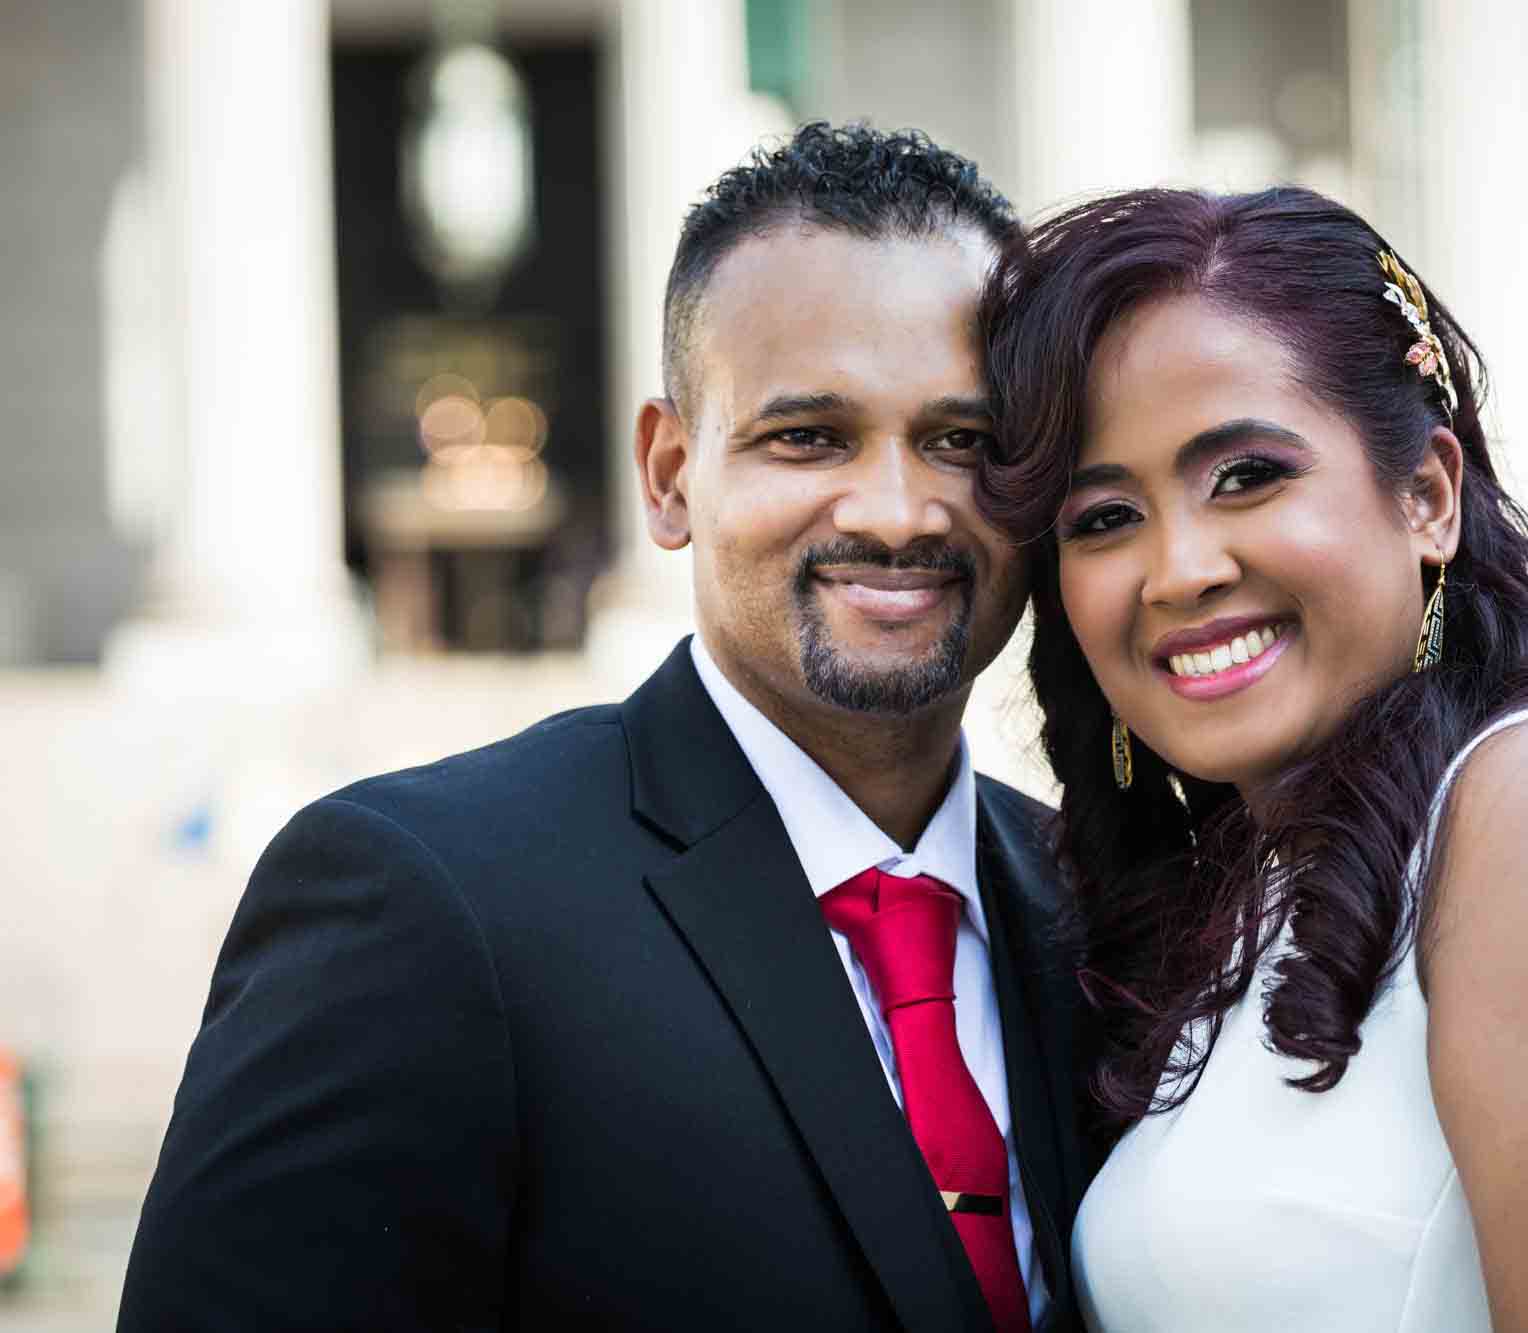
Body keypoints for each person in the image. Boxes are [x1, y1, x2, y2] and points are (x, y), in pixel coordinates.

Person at [118, 124, 1097, 1332]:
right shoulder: (423, 903)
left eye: (961, 441)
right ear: (671, 471)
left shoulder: (1097, 911)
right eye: (808, 436)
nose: (895, 512)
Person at [975, 186, 1528, 1330]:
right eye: (1103, 519)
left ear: (1425, 495)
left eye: (1246, 477)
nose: (1176, 571)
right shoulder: (1245, 902)